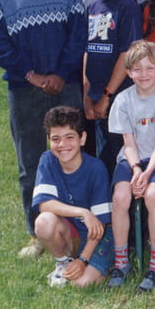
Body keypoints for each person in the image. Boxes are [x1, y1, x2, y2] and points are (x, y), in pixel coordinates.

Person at [0, 0, 87, 258]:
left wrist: (60, 73)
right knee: (30, 163)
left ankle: (79, 228)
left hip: (65, 86)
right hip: (24, 90)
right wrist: (31, 75)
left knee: (72, 158)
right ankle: (37, 232)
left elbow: (78, 36)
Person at [108, 40, 155, 291]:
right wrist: (136, 169)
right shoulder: (123, 100)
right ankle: (121, 261)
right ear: (128, 72)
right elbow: (128, 142)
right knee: (120, 197)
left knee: (153, 195)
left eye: (149, 68)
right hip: (132, 157)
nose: (144, 74)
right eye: (137, 69)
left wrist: (147, 173)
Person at [32, 106, 113, 287]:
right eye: (56, 139)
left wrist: (83, 260)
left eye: (70, 137)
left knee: (81, 283)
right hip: (72, 232)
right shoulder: (48, 160)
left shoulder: (96, 168)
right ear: (49, 140)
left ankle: (101, 265)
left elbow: (101, 223)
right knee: (44, 222)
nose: (63, 145)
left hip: (98, 235)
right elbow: (44, 204)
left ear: (82, 138)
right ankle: (63, 262)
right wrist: (83, 212)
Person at [83, 0, 143, 173]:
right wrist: (87, 95)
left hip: (118, 98)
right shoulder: (92, 7)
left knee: (120, 160)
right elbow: (86, 52)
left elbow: (127, 54)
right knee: (102, 158)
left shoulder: (127, 6)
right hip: (96, 97)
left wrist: (107, 96)